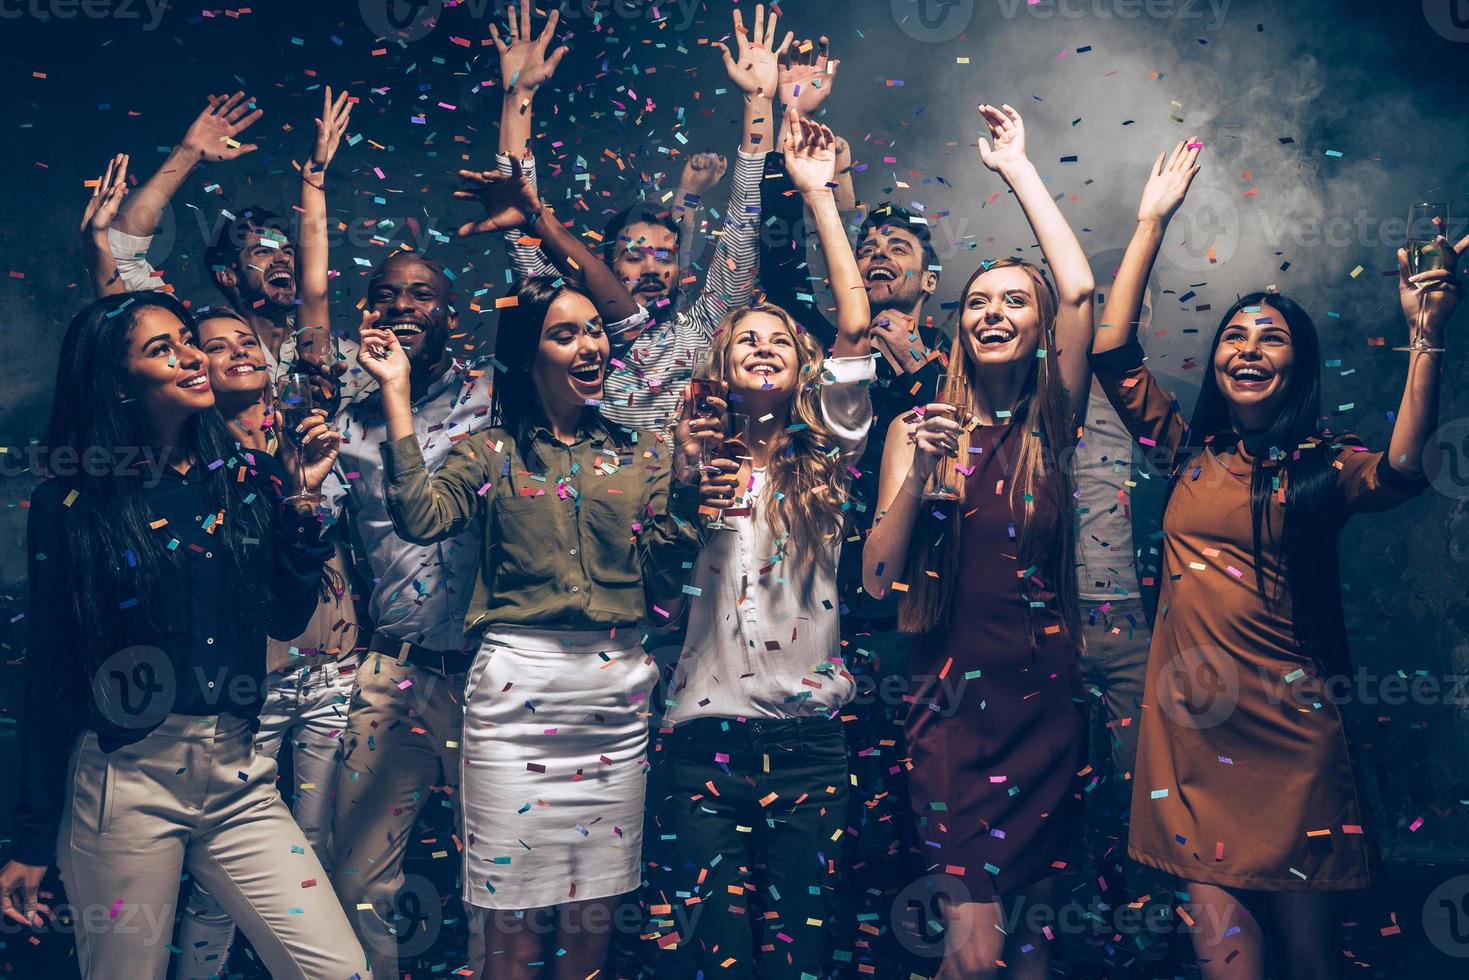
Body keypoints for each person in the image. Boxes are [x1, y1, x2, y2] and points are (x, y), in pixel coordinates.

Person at [1093, 139, 1464, 980]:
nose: (1248, 348)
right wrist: (1150, 222)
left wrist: (1424, 333)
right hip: (1187, 737)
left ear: (1295, 364)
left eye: (1269, 336)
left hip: (1293, 743)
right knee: (1222, 953)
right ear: (1214, 361)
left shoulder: (1324, 467)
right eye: (1233, 336)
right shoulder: (1183, 454)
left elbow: (1407, 471)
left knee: (1307, 961)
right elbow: (1111, 348)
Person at [354, 267, 715, 978]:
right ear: (528, 355)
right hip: (516, 697)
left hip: (614, 698)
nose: (590, 346)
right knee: (511, 929)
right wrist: (396, 394)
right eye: (565, 333)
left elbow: (666, 572)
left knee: (592, 923)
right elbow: (419, 516)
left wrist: (687, 487)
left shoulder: (640, 452)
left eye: (594, 332)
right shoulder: (489, 451)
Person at [0, 291, 368, 979]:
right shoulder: (74, 501)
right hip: (126, 777)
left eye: (185, 339)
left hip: (238, 772)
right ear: (117, 380)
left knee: (337, 970)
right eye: (160, 348)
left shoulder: (249, 475)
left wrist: (301, 501)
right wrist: (31, 837)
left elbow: (285, 620)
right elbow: (50, 667)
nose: (191, 356)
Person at [862, 103, 1096, 979]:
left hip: (1045, 703)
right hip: (952, 711)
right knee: (975, 948)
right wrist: (918, 477)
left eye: (1013, 302)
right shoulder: (919, 427)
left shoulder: (1051, 422)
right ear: (958, 324)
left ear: (1037, 327)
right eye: (977, 303)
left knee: (1030, 944)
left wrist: (1017, 169)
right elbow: (879, 583)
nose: (992, 314)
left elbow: (1078, 289)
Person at [647, 112, 874, 978]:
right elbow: (658, 585)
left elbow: (852, 326)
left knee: (801, 960)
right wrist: (678, 478)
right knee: (721, 962)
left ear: (799, 366)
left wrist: (817, 195)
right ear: (721, 365)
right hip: (704, 745)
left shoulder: (828, 455)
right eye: (747, 338)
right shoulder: (691, 460)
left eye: (780, 339)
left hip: (810, 748)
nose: (765, 346)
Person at [170, 90, 366, 975]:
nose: (281, 268)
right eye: (260, 258)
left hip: (334, 664)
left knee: (313, 862)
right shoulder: (198, 424)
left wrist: (314, 188)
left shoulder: (304, 397)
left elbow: (318, 296)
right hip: (255, 675)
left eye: (284, 255)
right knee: (221, 876)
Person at [492, 1, 782, 430]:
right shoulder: (581, 335)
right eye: (633, 256)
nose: (651, 268)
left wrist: (759, 101)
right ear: (604, 264)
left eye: (665, 256)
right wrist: (519, 97)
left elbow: (744, 220)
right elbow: (522, 220)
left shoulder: (704, 329)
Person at [95, 89, 364, 404]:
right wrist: (188, 153)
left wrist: (314, 177)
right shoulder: (192, 346)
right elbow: (117, 255)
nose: (282, 260)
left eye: (288, 252)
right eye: (262, 251)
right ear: (227, 275)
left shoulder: (338, 354)